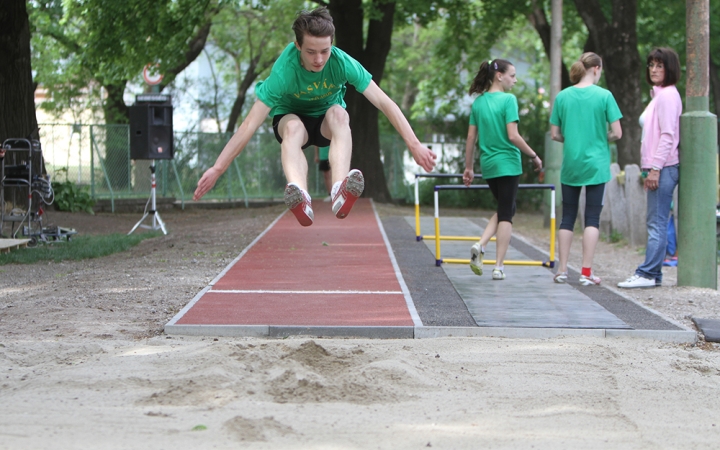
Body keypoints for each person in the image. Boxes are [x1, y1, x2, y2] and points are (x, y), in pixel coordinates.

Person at [193, 7, 436, 226]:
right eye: (310, 52)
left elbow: (383, 101)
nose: (319, 59)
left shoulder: (342, 62)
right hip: (290, 118)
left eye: (324, 51)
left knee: (340, 114)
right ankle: (300, 194)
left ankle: (340, 189)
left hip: (325, 123)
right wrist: (218, 167)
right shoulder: (284, 71)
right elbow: (249, 125)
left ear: (332, 44)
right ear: (298, 45)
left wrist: (413, 143)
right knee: (293, 129)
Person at [463, 59, 542, 280]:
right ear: (499, 76)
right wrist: (534, 155)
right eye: (512, 76)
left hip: (488, 165)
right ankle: (498, 266)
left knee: (506, 208)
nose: (515, 80)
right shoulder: (508, 100)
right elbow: (513, 135)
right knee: (507, 214)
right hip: (508, 162)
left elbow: (471, 137)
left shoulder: (478, 104)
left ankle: (481, 245)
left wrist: (469, 167)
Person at [550, 52, 623, 286]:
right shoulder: (605, 96)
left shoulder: (562, 96)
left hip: (571, 163)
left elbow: (555, 134)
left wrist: (572, 139)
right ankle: (586, 272)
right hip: (597, 164)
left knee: (567, 217)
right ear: (597, 68)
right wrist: (603, 137)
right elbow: (618, 133)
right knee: (592, 217)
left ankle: (562, 270)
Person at [618, 47, 682, 288]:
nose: (654, 70)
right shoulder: (660, 95)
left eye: (660, 65)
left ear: (670, 68)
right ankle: (653, 274)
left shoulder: (666, 96)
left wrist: (655, 169)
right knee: (655, 221)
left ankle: (646, 274)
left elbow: (667, 136)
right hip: (658, 167)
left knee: (656, 222)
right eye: (652, 65)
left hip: (664, 168)